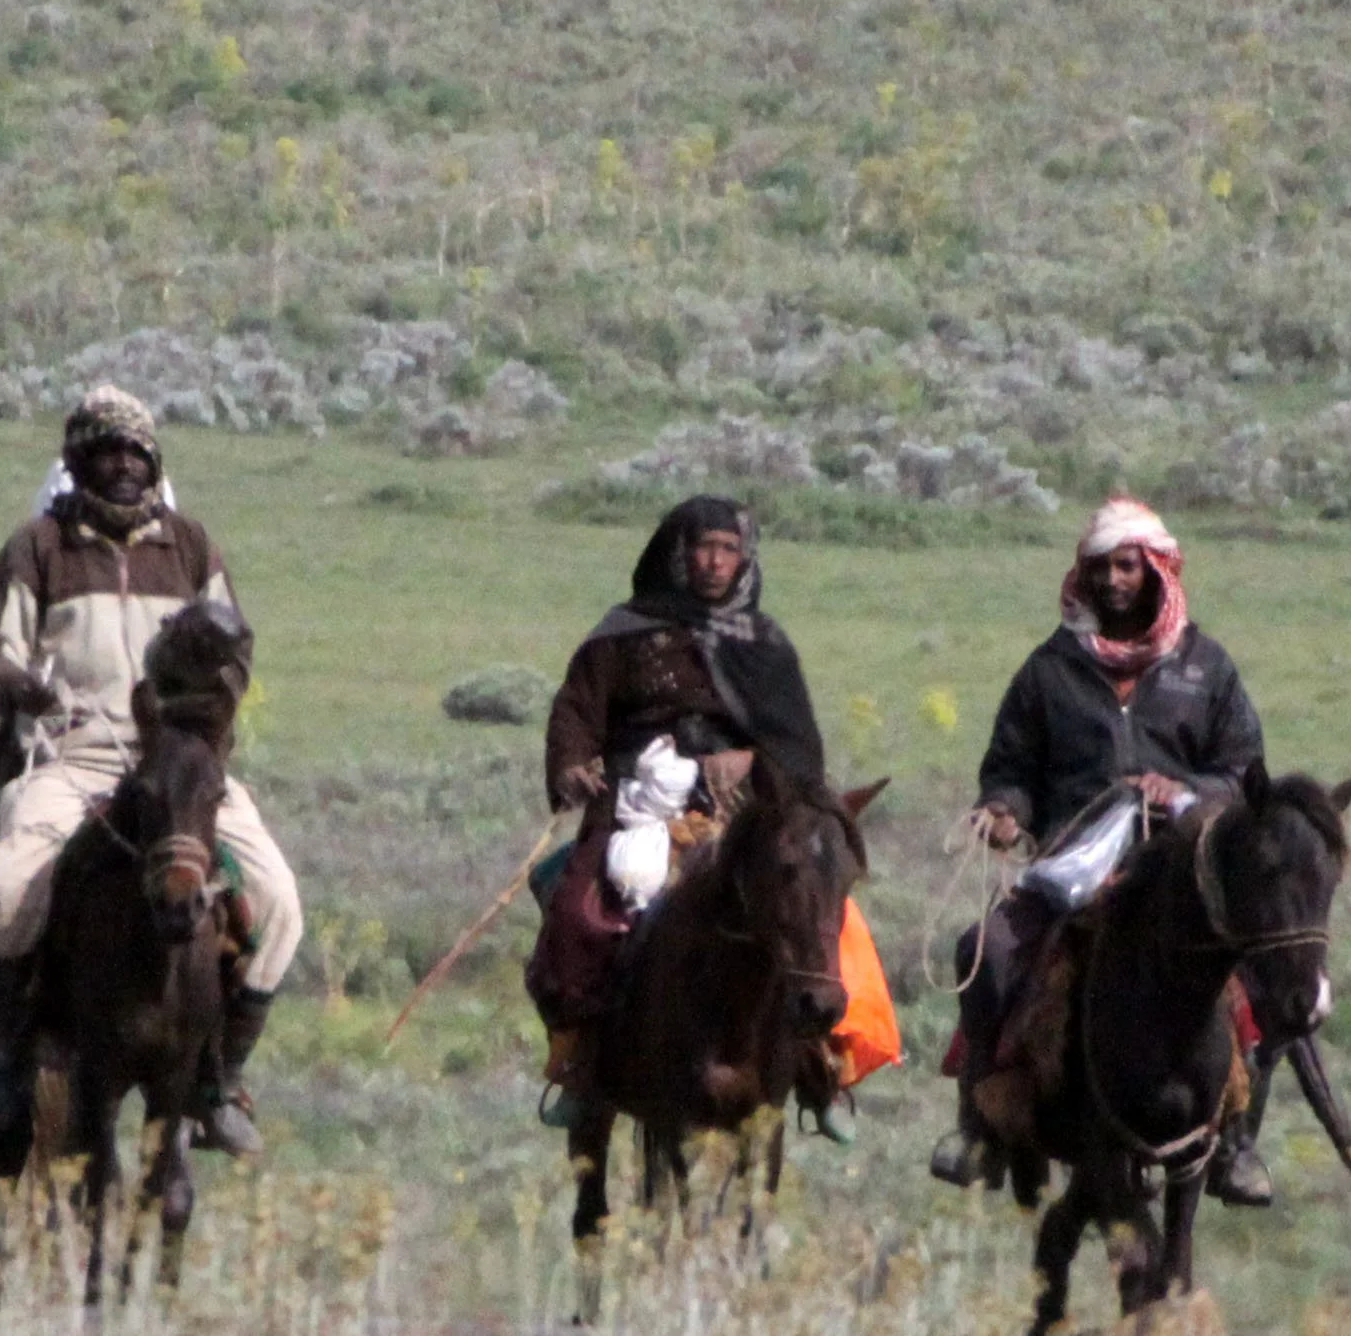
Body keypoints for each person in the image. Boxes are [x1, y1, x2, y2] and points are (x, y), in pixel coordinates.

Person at [0, 384, 303, 1159]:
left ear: (155, 463)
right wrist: (22, 688)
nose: (122, 465)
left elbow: (234, 657)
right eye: (104, 452)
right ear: (77, 463)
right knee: (5, 887)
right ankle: (7, 1065)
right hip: (71, 753)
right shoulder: (37, 548)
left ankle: (220, 1081)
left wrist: (201, 714)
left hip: (177, 757)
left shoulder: (190, 547)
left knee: (279, 903)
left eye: (136, 452)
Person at [932, 496, 1275, 1206]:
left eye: (1126, 566)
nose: (1113, 580)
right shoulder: (1049, 670)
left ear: (1155, 572)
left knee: (1264, 979)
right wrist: (1003, 810)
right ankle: (979, 1123)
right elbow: (1012, 766)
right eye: (1100, 568)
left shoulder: (1206, 669)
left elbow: (1243, 772)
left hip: (1178, 869)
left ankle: (1235, 1144)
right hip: (1071, 866)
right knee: (983, 950)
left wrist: (1181, 789)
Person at [528, 495, 852, 1135]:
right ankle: (583, 1058)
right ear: (677, 553)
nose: (713, 561)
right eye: (702, 547)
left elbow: (800, 749)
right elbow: (576, 715)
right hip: (635, 798)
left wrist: (748, 757)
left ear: (744, 559)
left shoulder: (764, 644)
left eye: (728, 549)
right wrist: (573, 769)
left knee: (821, 909)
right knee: (575, 912)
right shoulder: (623, 633)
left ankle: (822, 1066)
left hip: (746, 809)